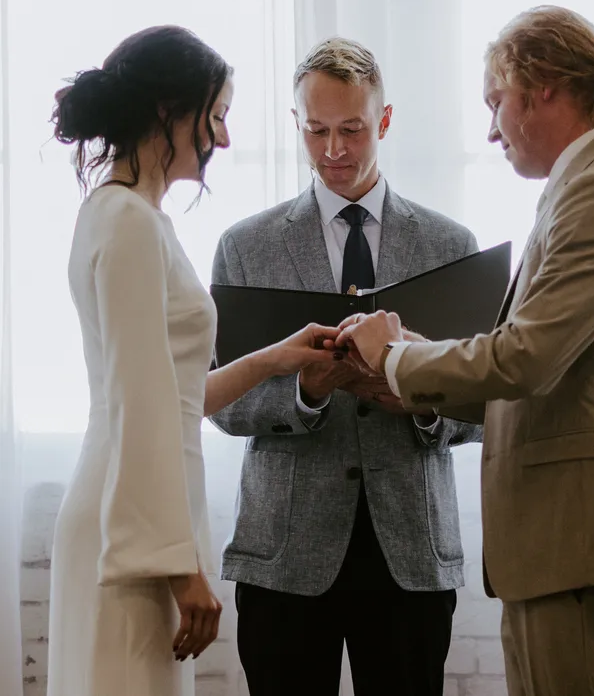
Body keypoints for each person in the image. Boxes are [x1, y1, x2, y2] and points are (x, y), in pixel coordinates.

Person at [337, 6, 594, 696]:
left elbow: (525, 358)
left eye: (497, 102)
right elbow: (542, 367)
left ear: (546, 85)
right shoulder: (585, 191)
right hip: (560, 546)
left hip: (580, 540)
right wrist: (403, 374)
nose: (491, 129)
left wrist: (396, 358)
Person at [46, 25, 339, 696]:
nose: (225, 139)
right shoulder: (127, 223)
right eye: (216, 117)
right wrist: (184, 570)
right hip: (128, 531)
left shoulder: (129, 216)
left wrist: (274, 361)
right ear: (167, 112)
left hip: (128, 512)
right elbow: (141, 406)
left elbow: (169, 393)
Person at [208, 37, 483, 696]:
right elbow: (221, 403)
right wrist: (302, 392)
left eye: (352, 129)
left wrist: (417, 396)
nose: (334, 149)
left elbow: (480, 405)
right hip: (285, 558)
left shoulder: (450, 245)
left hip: (410, 554)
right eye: (317, 130)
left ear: (383, 122)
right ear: (297, 124)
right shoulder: (245, 247)